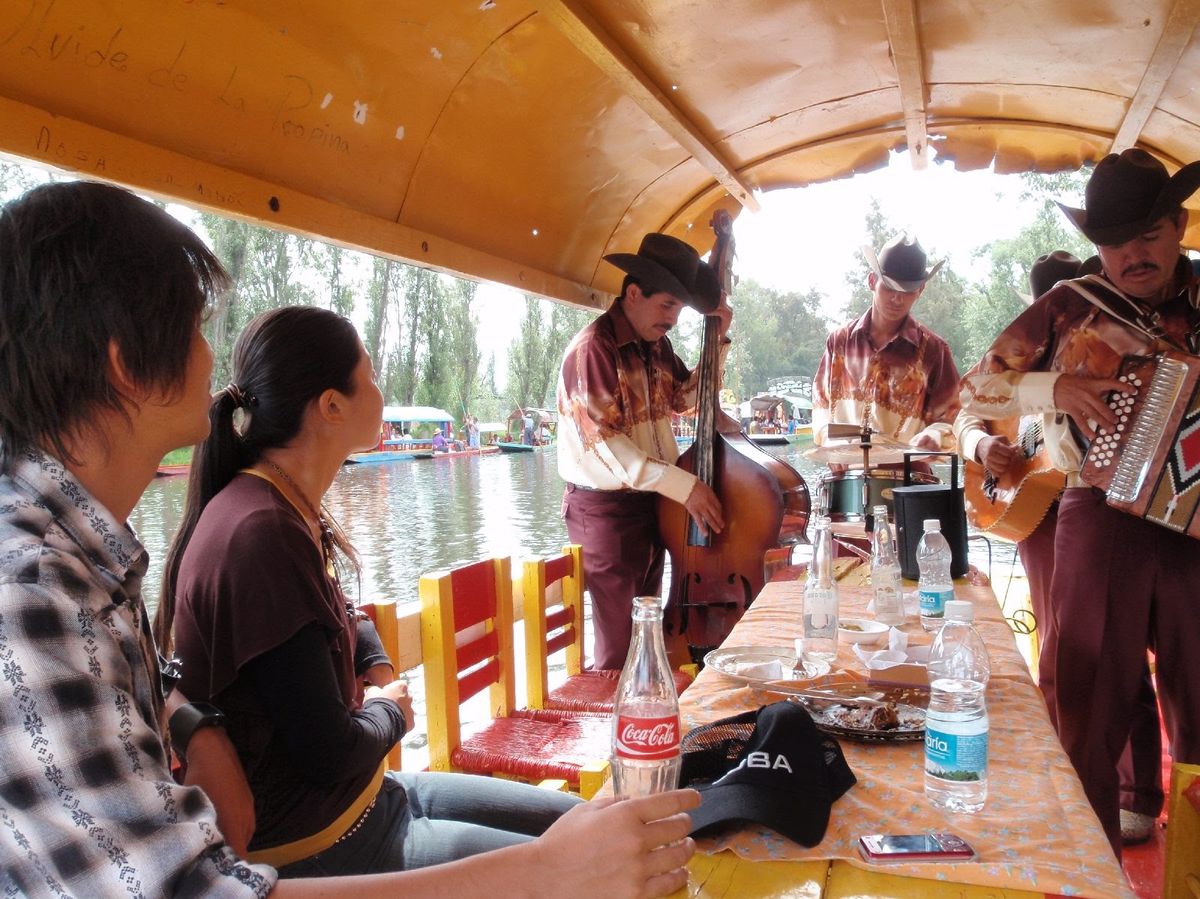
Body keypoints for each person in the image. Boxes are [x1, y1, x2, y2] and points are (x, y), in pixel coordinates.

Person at [0, 180, 699, 898]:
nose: (210, 356)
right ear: (125, 365)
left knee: (615, 828)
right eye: (195, 327)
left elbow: (325, 622)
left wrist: (185, 717)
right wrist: (545, 873)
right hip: (324, 837)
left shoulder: (97, 557)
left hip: (370, 801)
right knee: (598, 868)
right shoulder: (34, 593)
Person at [958, 148, 1200, 856]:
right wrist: (1051, 389)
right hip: (1099, 509)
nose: (1132, 254)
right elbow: (976, 392)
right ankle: (1087, 858)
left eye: (1149, 233)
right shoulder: (1071, 305)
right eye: (1114, 240)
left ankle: (1191, 860)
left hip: (1193, 525)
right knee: (1086, 683)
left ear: (1179, 223)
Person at [557, 232, 732, 669]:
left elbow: (687, 399)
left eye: (679, 308)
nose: (673, 319)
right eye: (668, 305)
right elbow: (608, 447)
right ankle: (613, 734)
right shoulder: (593, 350)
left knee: (646, 634)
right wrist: (685, 486)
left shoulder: (657, 346)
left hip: (652, 501)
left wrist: (718, 340)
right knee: (619, 648)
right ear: (634, 293)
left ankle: (642, 724)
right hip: (605, 512)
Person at [812, 234, 961, 453]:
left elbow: (953, 416)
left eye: (907, 291)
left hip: (910, 480)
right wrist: (829, 437)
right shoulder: (839, 341)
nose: (897, 299)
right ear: (872, 281)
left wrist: (933, 436)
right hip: (845, 477)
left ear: (920, 291)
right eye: (889, 288)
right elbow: (821, 403)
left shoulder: (934, 350)